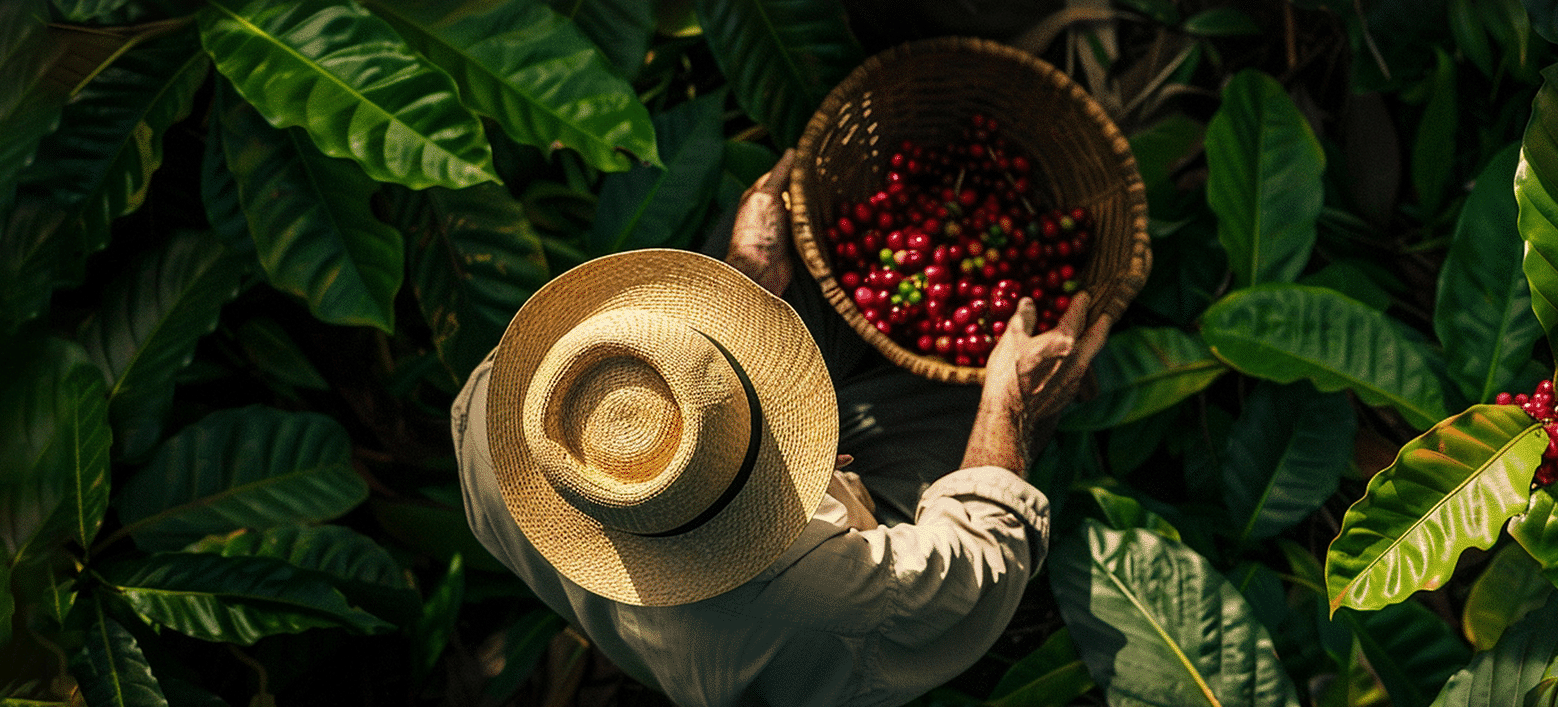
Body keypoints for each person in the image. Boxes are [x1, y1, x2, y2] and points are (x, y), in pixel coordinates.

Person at [451, 149, 1114, 706]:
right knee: (970, 399)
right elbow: (974, 566)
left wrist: (745, 275)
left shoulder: (500, 407)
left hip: (677, 627)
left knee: (781, 282)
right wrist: (1009, 408)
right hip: (796, 656)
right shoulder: (826, 589)